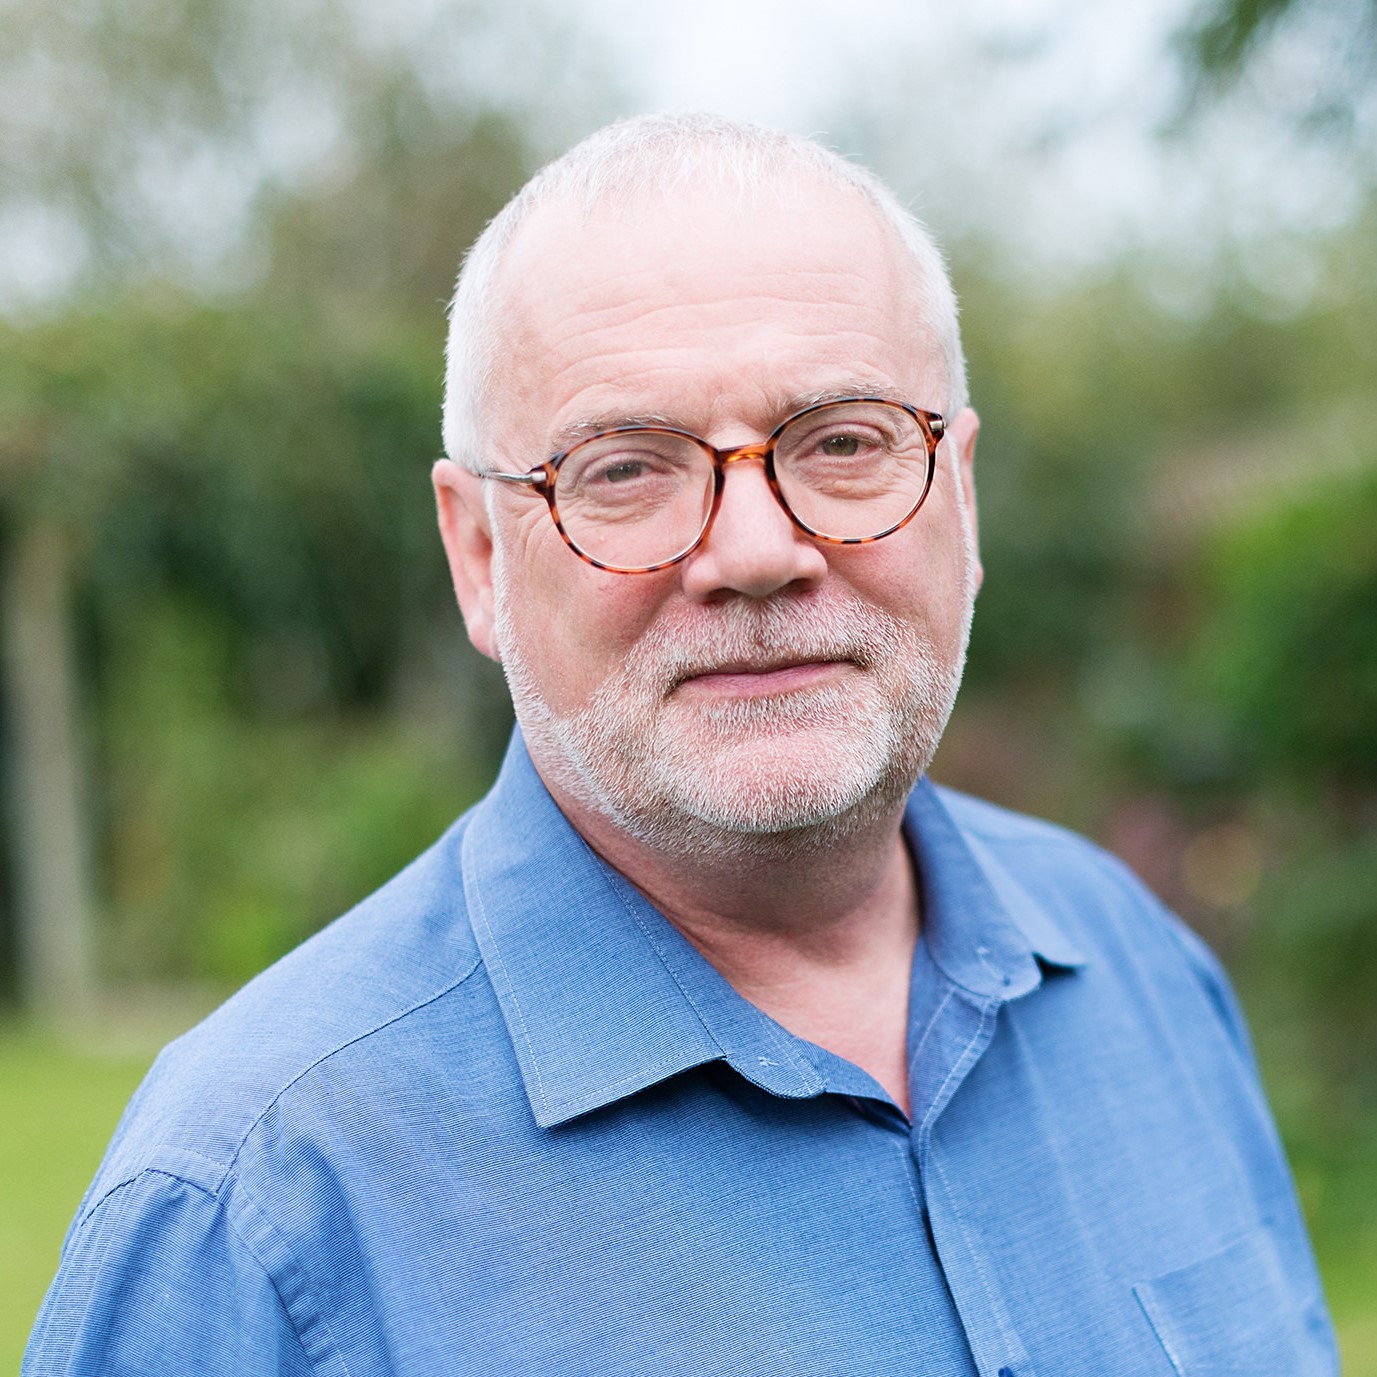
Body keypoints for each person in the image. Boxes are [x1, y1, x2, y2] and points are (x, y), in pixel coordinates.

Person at [26, 114, 1336, 1376]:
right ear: (478, 555)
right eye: (626, 466)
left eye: (841, 443)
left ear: (962, 500)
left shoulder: (1137, 969)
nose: (758, 550)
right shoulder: (254, 1205)